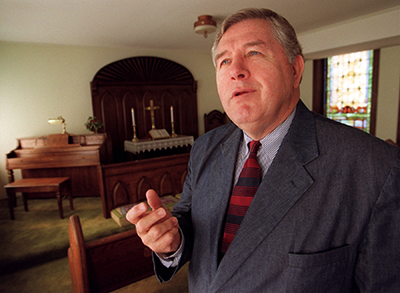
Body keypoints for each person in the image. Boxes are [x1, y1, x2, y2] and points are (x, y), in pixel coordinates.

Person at [127, 8, 400, 292]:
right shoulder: (205, 146)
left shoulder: (376, 167)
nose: (236, 71)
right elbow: (188, 217)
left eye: (254, 53)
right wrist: (172, 241)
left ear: (295, 70)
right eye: (224, 61)